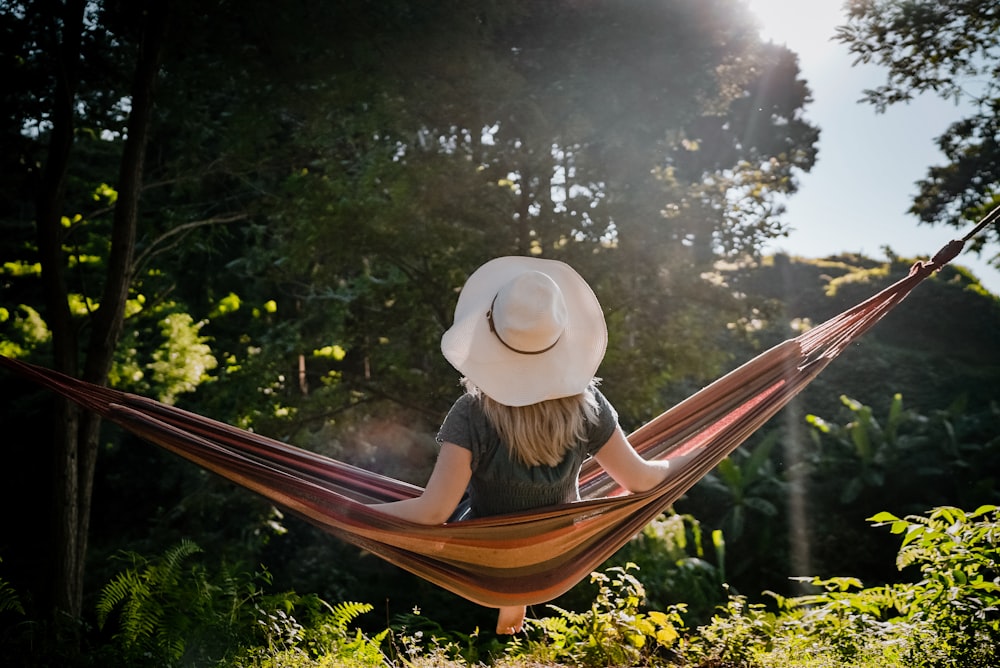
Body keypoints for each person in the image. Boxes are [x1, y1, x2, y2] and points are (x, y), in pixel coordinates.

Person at [374, 256, 679, 634]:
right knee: (530, 514)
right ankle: (513, 602)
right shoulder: (588, 407)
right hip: (558, 550)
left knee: (481, 509)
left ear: (490, 329)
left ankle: (509, 592)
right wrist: (687, 459)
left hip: (489, 553)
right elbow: (641, 479)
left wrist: (362, 514)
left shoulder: (473, 413)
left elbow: (434, 510)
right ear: (560, 335)